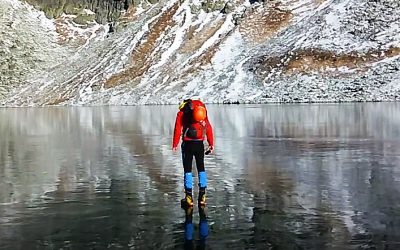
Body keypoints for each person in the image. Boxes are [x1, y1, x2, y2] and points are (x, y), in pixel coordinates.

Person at [172, 99, 214, 207]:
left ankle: (189, 198)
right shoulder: (202, 111)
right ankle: (202, 197)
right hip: (199, 144)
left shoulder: (182, 112)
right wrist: (211, 143)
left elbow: (177, 128)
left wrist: (175, 144)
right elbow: (208, 127)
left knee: (187, 170)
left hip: (187, 145)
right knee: (201, 168)